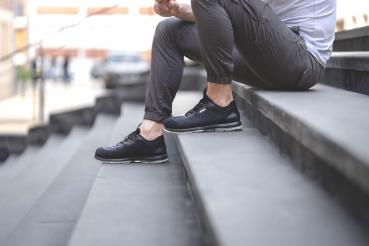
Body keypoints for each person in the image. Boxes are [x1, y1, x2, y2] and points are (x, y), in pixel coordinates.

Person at [95, 0, 336, 163]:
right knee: (168, 31)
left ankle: (219, 102)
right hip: (264, 58)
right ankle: (150, 134)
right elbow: (225, 11)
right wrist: (177, 8)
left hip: (302, 60)